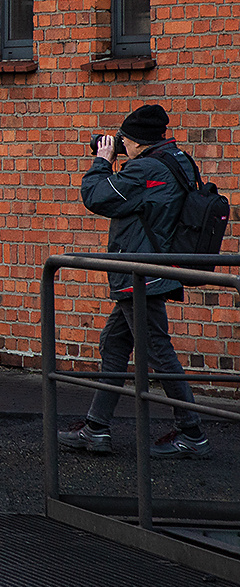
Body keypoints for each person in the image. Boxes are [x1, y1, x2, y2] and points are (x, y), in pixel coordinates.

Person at [58, 104, 211, 459]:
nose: (121, 143)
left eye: (124, 138)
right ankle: (96, 428)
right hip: (153, 266)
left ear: (139, 142)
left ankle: (192, 433)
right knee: (114, 342)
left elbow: (96, 197)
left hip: (140, 272)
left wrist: (102, 160)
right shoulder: (177, 159)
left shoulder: (146, 168)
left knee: (158, 350)